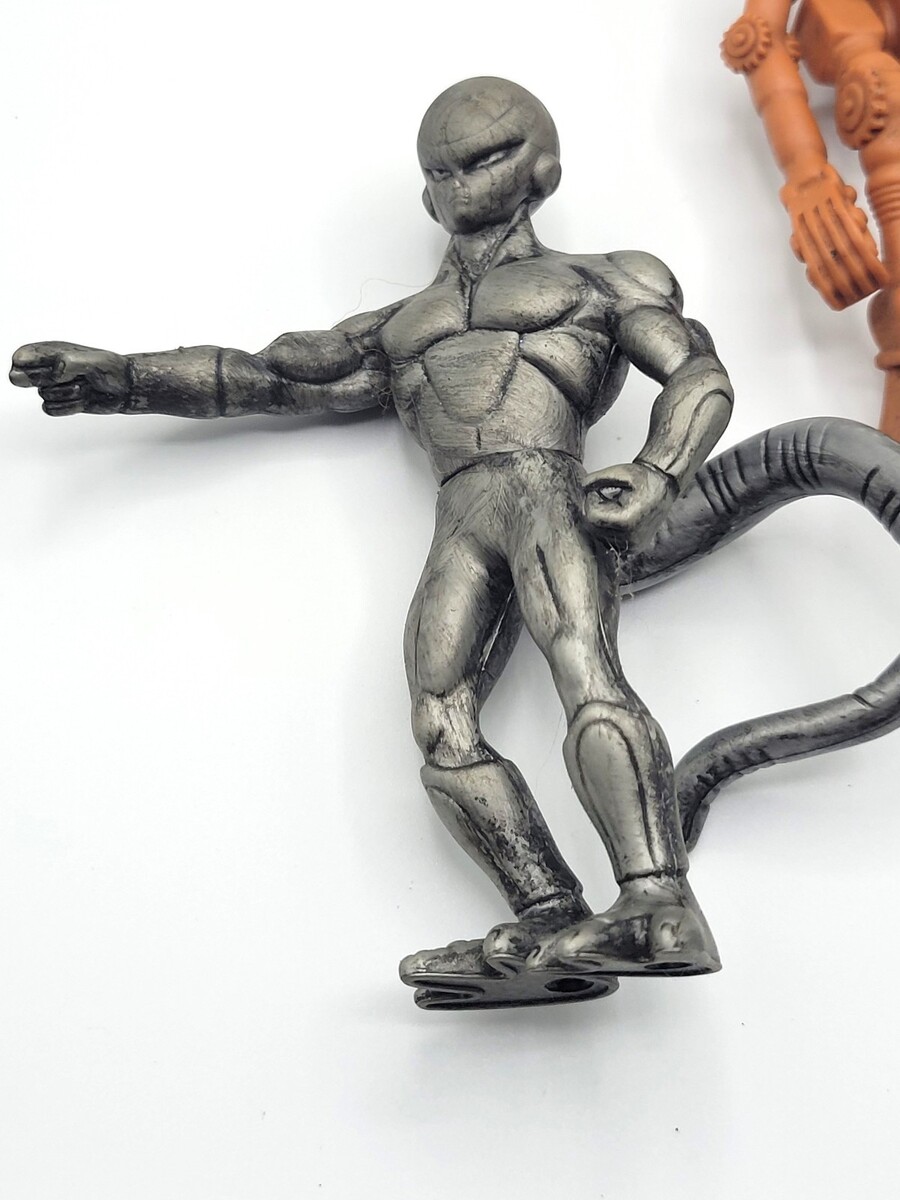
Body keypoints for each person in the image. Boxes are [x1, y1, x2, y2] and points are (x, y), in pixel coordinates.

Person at [10, 77, 734, 1005]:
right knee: (440, 720)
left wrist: (660, 470)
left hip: (548, 489)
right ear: (425, 195)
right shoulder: (400, 329)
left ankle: (659, 901)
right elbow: (260, 376)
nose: (459, 182)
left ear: (542, 171)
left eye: (484, 158)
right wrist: (122, 377)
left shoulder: (603, 278)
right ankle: (547, 916)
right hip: (461, 517)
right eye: (441, 170)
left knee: (583, 672)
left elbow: (697, 374)